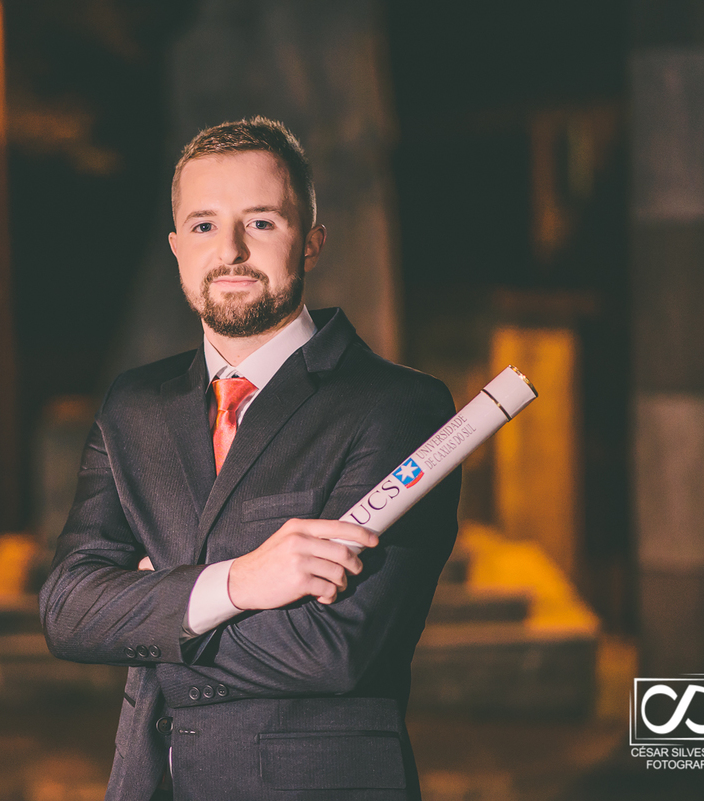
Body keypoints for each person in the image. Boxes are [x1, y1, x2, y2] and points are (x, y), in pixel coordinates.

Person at [39, 117, 460, 801]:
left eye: (261, 222)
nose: (230, 249)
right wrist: (241, 583)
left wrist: (151, 607)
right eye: (204, 226)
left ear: (312, 242)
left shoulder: (399, 408)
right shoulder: (132, 405)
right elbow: (67, 611)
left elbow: (336, 649)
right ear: (176, 247)